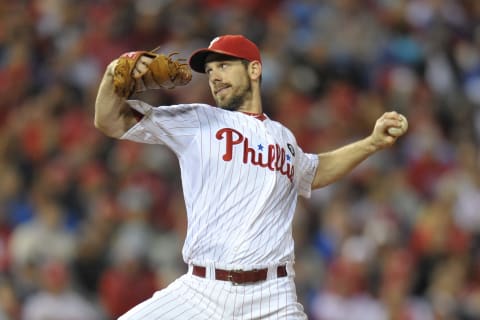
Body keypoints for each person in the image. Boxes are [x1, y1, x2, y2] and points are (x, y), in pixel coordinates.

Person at [94, 34, 407, 319]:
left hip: (272, 297)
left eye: (224, 65)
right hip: (201, 291)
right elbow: (109, 120)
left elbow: (315, 171)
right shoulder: (199, 120)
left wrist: (371, 143)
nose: (214, 76)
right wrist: (112, 74)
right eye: (211, 70)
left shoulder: (284, 138)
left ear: (254, 70)